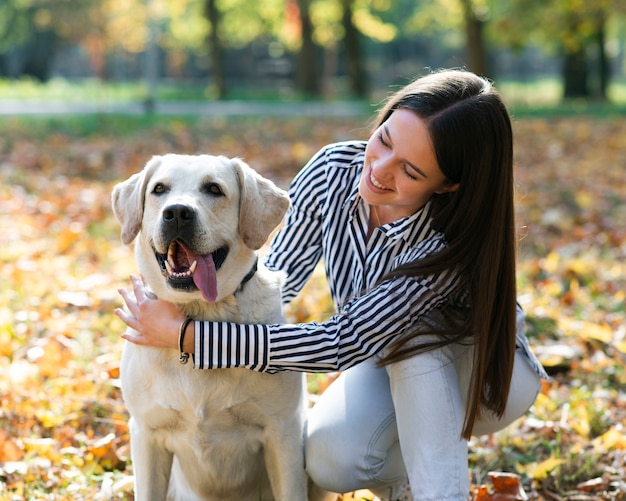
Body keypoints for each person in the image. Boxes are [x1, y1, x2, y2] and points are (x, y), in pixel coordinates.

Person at [116, 69, 548, 501]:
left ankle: (438, 492)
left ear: (449, 183)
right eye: (385, 141)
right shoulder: (334, 172)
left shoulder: (446, 242)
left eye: (410, 171)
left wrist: (189, 336)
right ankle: (403, 477)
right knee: (329, 460)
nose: (378, 170)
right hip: (382, 358)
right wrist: (198, 304)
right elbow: (273, 279)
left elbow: (343, 342)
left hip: (487, 379)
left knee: (419, 339)